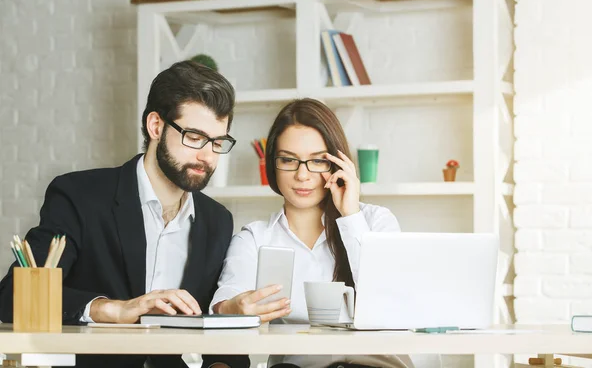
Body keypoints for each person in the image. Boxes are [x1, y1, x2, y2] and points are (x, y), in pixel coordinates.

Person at [0, 61, 249, 368]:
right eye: (195, 138)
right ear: (156, 126)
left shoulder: (217, 220)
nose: (207, 156)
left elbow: (214, 331)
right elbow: (13, 296)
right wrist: (112, 310)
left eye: (217, 142)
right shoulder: (80, 196)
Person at [209, 98, 413, 368]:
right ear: (272, 164)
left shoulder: (376, 221)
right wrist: (232, 309)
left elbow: (390, 303)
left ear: (338, 165)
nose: (302, 175)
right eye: (288, 160)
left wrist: (351, 215)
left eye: (317, 161)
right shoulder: (255, 238)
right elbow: (226, 300)